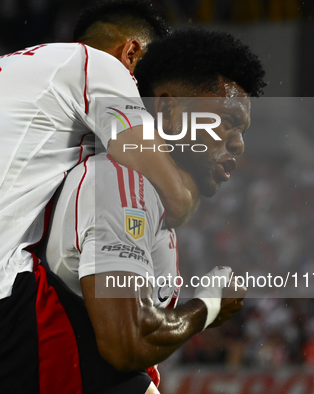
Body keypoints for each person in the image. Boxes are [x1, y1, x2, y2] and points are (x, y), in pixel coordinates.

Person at [0, 2, 202, 394]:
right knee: (131, 379)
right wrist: (192, 185)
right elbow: (171, 194)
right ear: (131, 53)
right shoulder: (99, 66)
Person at [45, 26, 266, 393]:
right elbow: (126, 345)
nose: (239, 144)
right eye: (228, 122)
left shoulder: (156, 207)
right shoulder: (120, 181)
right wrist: (208, 306)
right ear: (168, 110)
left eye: (243, 131)